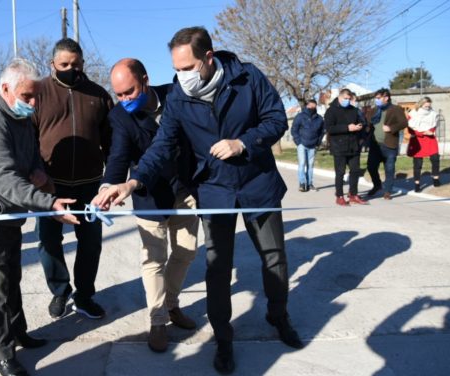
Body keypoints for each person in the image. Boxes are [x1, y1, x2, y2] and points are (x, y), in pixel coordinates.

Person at [94, 27, 303, 374]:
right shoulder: (178, 96)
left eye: (187, 67)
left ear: (208, 57)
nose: (181, 76)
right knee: (218, 267)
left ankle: (278, 316)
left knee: (274, 257)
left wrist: (243, 143)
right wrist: (132, 182)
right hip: (214, 189)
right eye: (176, 69)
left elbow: (276, 119)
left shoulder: (248, 77)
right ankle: (223, 338)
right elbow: (162, 145)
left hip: (258, 185)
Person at [0, 58, 79, 376]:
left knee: (11, 277)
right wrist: (49, 205)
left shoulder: (21, 119)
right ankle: (0, 355)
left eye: (36, 96)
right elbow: (7, 180)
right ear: (5, 89)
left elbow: (32, 162)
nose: (34, 103)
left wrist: (39, 175)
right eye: (27, 97)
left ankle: (17, 332)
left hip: (8, 210)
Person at [94, 58, 199, 352]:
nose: (125, 99)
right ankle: (157, 320)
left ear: (146, 79)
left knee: (186, 252)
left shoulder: (175, 96)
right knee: (153, 259)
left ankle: (172, 304)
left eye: (129, 91)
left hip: (183, 190)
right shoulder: (119, 117)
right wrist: (108, 186)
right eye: (119, 94)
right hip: (148, 194)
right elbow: (118, 156)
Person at [34, 38, 113, 320]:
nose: (71, 69)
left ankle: (85, 295)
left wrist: (111, 181)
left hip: (90, 184)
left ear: (83, 64)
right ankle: (59, 291)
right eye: (65, 64)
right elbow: (28, 140)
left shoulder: (99, 95)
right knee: (48, 241)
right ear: (52, 64)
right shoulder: (38, 92)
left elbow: (113, 142)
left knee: (90, 243)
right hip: (49, 186)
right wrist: (36, 177)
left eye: (76, 64)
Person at [324, 89, 368, 206]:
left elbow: (362, 122)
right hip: (339, 146)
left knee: (355, 171)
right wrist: (347, 128)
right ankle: (339, 196)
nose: (347, 101)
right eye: (345, 99)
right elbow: (329, 128)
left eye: (349, 99)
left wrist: (360, 126)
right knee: (340, 172)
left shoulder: (354, 110)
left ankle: (353, 194)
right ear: (339, 97)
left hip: (354, 145)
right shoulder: (331, 111)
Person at [366, 88, 408, 200]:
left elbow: (404, 122)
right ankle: (377, 185)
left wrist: (391, 128)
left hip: (389, 144)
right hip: (375, 145)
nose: (377, 100)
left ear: (386, 97)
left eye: (379, 98)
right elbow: (368, 123)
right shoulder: (374, 110)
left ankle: (388, 191)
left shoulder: (396, 109)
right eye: (376, 98)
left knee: (389, 169)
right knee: (371, 167)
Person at [407, 97, 441, 192]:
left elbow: (434, 125)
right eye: (426, 105)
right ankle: (417, 184)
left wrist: (430, 132)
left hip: (430, 138)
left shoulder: (433, 113)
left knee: (435, 159)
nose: (428, 107)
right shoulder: (413, 113)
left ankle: (436, 178)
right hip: (418, 139)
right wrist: (422, 133)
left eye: (429, 105)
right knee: (418, 163)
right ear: (421, 104)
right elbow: (410, 128)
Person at [291, 99, 325, 192]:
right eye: (310, 106)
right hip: (302, 144)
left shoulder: (319, 118)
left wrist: (318, 142)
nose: (312, 107)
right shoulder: (300, 116)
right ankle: (302, 183)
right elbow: (294, 130)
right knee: (302, 164)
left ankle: (309, 184)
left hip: (313, 145)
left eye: (314, 106)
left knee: (310, 165)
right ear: (307, 106)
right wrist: (298, 142)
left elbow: (322, 131)